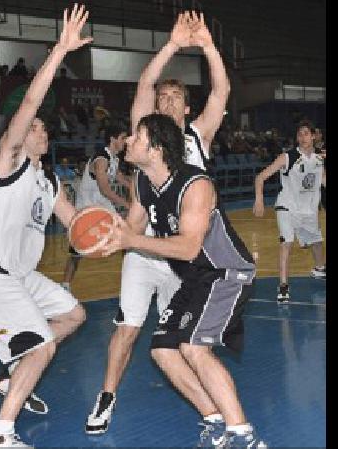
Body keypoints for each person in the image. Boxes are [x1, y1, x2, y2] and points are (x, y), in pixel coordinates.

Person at [85, 11, 232, 445]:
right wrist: (171, 45)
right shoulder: (143, 134)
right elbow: (142, 88)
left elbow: (221, 90)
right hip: (141, 248)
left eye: (174, 97)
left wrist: (207, 46)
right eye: (162, 96)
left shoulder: (198, 137)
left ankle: (212, 413)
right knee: (127, 329)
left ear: (186, 108)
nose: (165, 101)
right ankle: (106, 397)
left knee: (181, 343)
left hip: (184, 257)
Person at [0, 4, 92, 448]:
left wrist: (115, 235)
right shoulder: (9, 160)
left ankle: (12, 374)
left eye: (39, 128)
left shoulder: (49, 181)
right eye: (31, 125)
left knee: (74, 315)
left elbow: (78, 224)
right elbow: (32, 100)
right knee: (42, 346)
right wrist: (59, 50)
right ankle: (0, 434)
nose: (37, 129)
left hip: (18, 275)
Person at [100, 113, 268, 449]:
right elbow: (131, 229)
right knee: (163, 351)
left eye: (137, 136)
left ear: (157, 148)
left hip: (225, 273)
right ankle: (215, 419)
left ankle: (243, 436)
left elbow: (189, 246)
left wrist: (131, 242)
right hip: (194, 280)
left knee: (193, 347)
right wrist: (104, 235)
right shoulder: (142, 180)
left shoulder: (196, 184)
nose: (128, 141)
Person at [252, 119, 327, 304]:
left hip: (308, 210)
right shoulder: (288, 157)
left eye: (306, 133)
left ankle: (319, 268)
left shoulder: (319, 158)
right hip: (287, 206)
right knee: (286, 242)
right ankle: (283, 286)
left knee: (316, 242)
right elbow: (260, 177)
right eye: (299, 134)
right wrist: (259, 199)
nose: (302, 137)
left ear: (314, 136)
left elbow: (323, 179)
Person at [62, 123, 129, 290]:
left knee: (126, 238)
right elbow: (105, 190)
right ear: (113, 139)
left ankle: (132, 280)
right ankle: (65, 285)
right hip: (87, 210)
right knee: (77, 252)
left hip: (103, 207)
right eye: (123, 138)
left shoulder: (114, 159)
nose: (126, 141)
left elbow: (123, 180)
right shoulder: (101, 159)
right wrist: (128, 204)